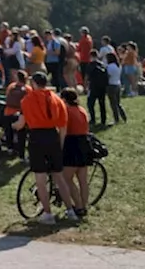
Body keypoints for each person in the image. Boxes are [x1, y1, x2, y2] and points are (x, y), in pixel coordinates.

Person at [14, 72, 77, 224]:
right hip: (53, 136)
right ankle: (70, 210)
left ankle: (47, 213)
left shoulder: (27, 100)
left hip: (36, 138)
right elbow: (63, 126)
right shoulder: (57, 100)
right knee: (59, 177)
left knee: (40, 178)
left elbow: (21, 124)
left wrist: (12, 125)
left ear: (34, 83)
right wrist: (60, 145)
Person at [61, 89, 91, 217]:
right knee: (83, 180)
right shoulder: (82, 110)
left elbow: (64, 129)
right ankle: (84, 206)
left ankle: (78, 206)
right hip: (84, 142)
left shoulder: (67, 111)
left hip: (71, 143)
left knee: (66, 178)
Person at [104, 52, 127, 124]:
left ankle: (116, 119)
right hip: (118, 84)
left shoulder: (109, 66)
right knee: (118, 103)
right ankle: (124, 117)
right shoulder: (118, 66)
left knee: (113, 104)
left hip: (111, 85)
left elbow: (108, 76)